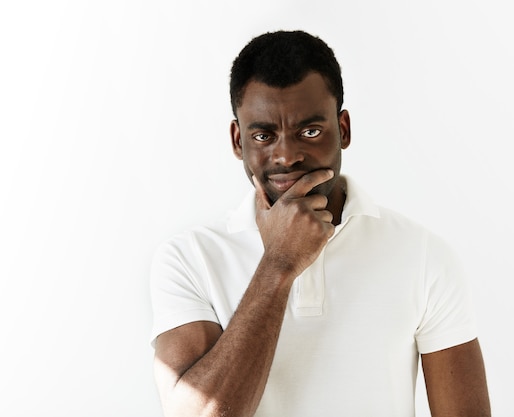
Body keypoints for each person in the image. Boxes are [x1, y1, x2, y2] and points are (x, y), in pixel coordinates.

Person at [150, 30, 491, 417]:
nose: (287, 156)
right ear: (237, 140)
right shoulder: (188, 259)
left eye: (309, 132)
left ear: (343, 129)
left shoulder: (424, 255)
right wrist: (279, 263)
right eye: (263, 135)